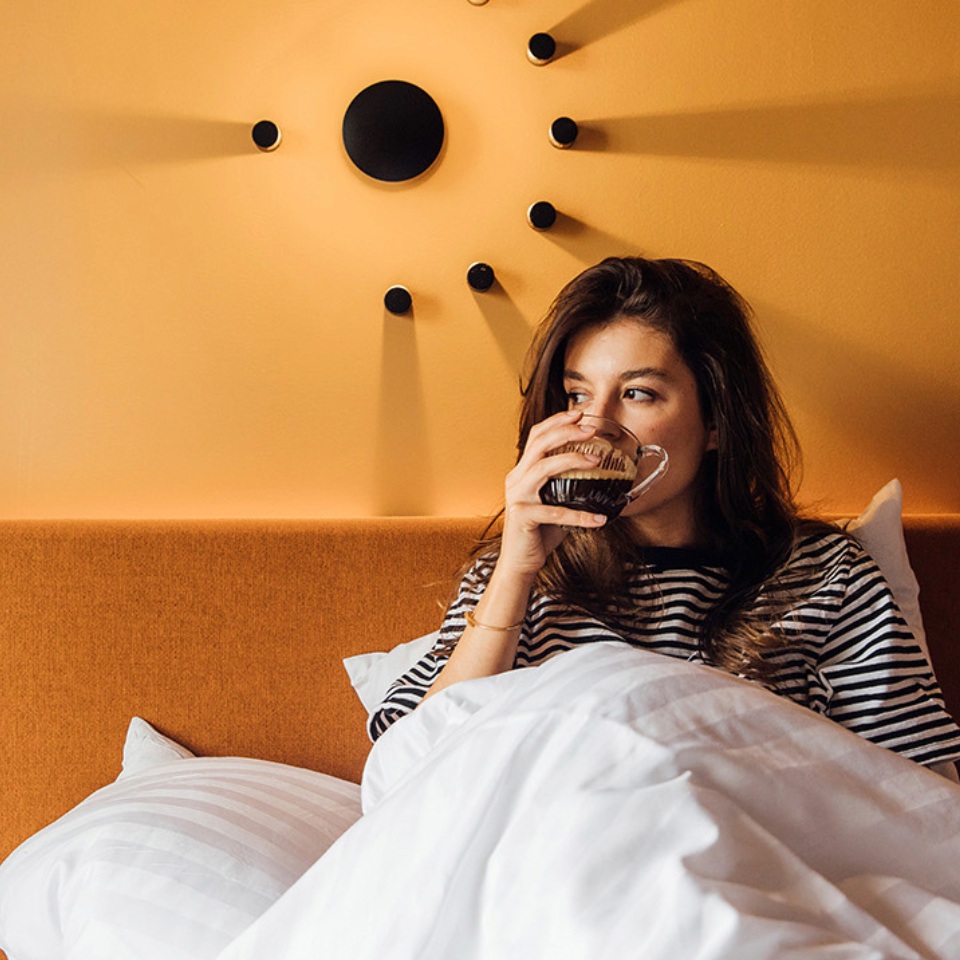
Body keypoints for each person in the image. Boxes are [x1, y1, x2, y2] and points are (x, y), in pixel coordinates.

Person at [369, 256, 960, 775]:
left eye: (638, 394)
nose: (594, 426)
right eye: (576, 395)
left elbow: (919, 793)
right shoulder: (517, 577)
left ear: (717, 423)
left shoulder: (825, 574)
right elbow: (413, 764)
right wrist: (515, 576)